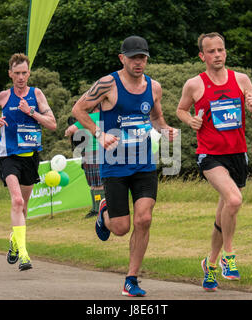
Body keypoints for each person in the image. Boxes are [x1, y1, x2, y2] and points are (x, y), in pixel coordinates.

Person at [72, 36, 178, 297]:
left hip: (143, 164)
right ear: (122, 59)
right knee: (120, 228)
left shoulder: (154, 87)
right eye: (133, 58)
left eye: (142, 57)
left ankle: (131, 279)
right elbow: (79, 109)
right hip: (115, 164)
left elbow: (155, 117)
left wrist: (165, 130)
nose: (138, 62)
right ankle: (104, 212)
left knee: (145, 218)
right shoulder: (108, 84)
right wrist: (99, 134)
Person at [176, 32, 252, 291]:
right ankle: (229, 256)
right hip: (210, 155)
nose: (217, 55)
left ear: (225, 52)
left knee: (224, 210)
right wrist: (189, 120)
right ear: (202, 56)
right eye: (211, 51)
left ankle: (210, 266)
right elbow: (181, 109)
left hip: (237, 154)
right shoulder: (194, 84)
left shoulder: (241, 80)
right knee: (234, 200)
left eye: (221, 50)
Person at [0, 53, 57, 271]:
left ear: (29, 73)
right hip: (9, 156)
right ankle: (24, 255)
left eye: (24, 73)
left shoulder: (37, 94)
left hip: (30, 157)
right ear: (10, 74)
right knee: (17, 202)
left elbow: (52, 124)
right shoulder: (4, 96)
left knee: (24, 208)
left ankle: (14, 241)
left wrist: (31, 111)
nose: (21, 77)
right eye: (17, 73)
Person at [65, 103, 104, 218]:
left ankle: (98, 209)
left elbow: (70, 130)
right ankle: (98, 208)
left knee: (95, 184)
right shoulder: (108, 116)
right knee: (100, 183)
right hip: (107, 151)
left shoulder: (88, 118)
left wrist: (70, 132)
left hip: (91, 152)